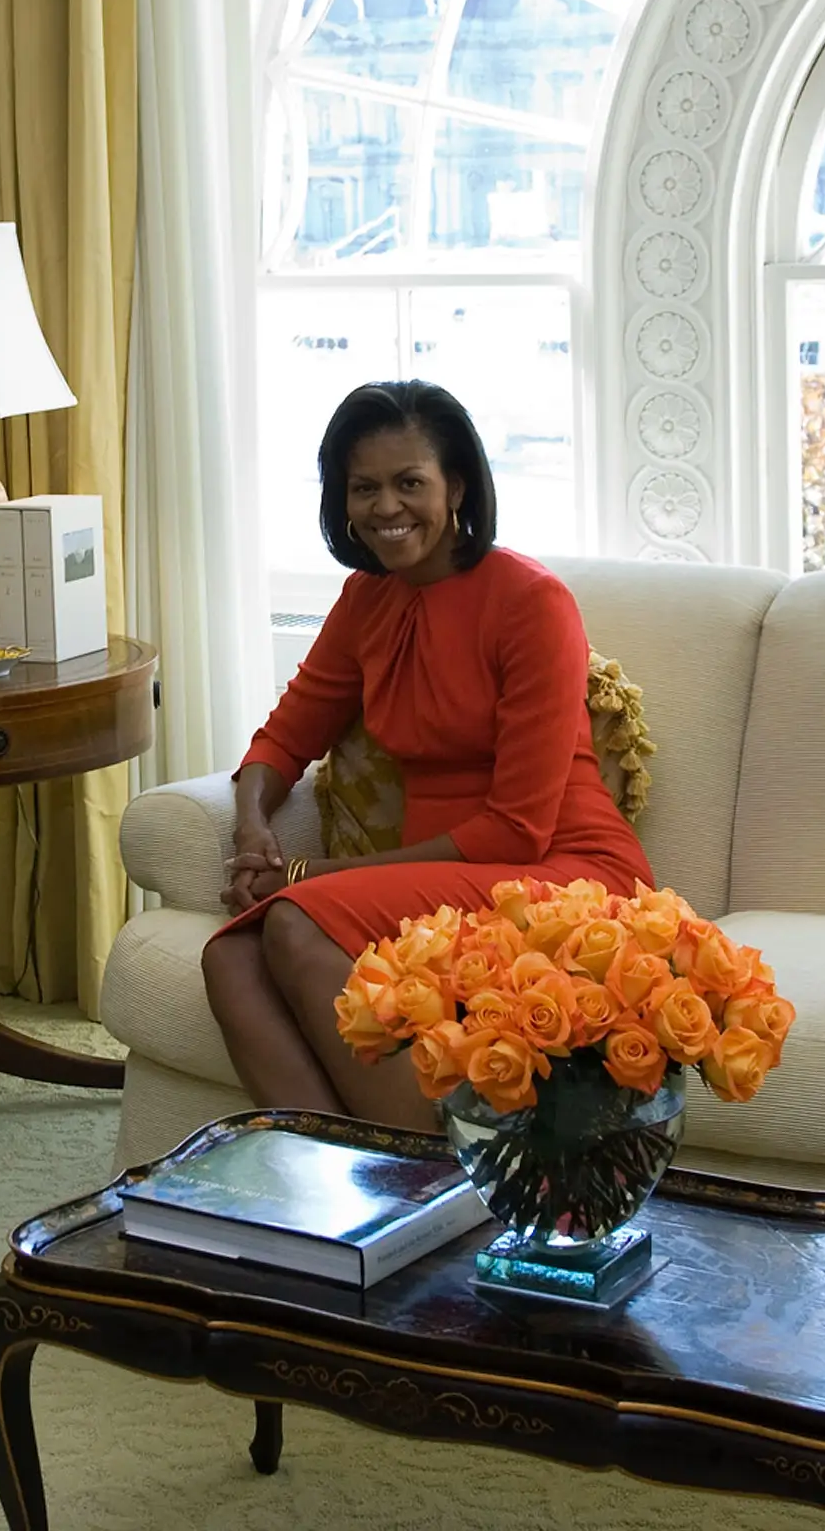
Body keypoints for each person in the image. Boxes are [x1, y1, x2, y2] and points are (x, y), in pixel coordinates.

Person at [202, 382, 652, 1131]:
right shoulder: (367, 598)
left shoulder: (531, 601)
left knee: (292, 920)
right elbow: (283, 738)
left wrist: (308, 876)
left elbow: (516, 830)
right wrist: (253, 830)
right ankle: (341, 1193)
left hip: (557, 872)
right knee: (230, 958)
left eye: (410, 482)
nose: (387, 507)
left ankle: (423, 1185)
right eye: (364, 487)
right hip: (439, 881)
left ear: (458, 487)